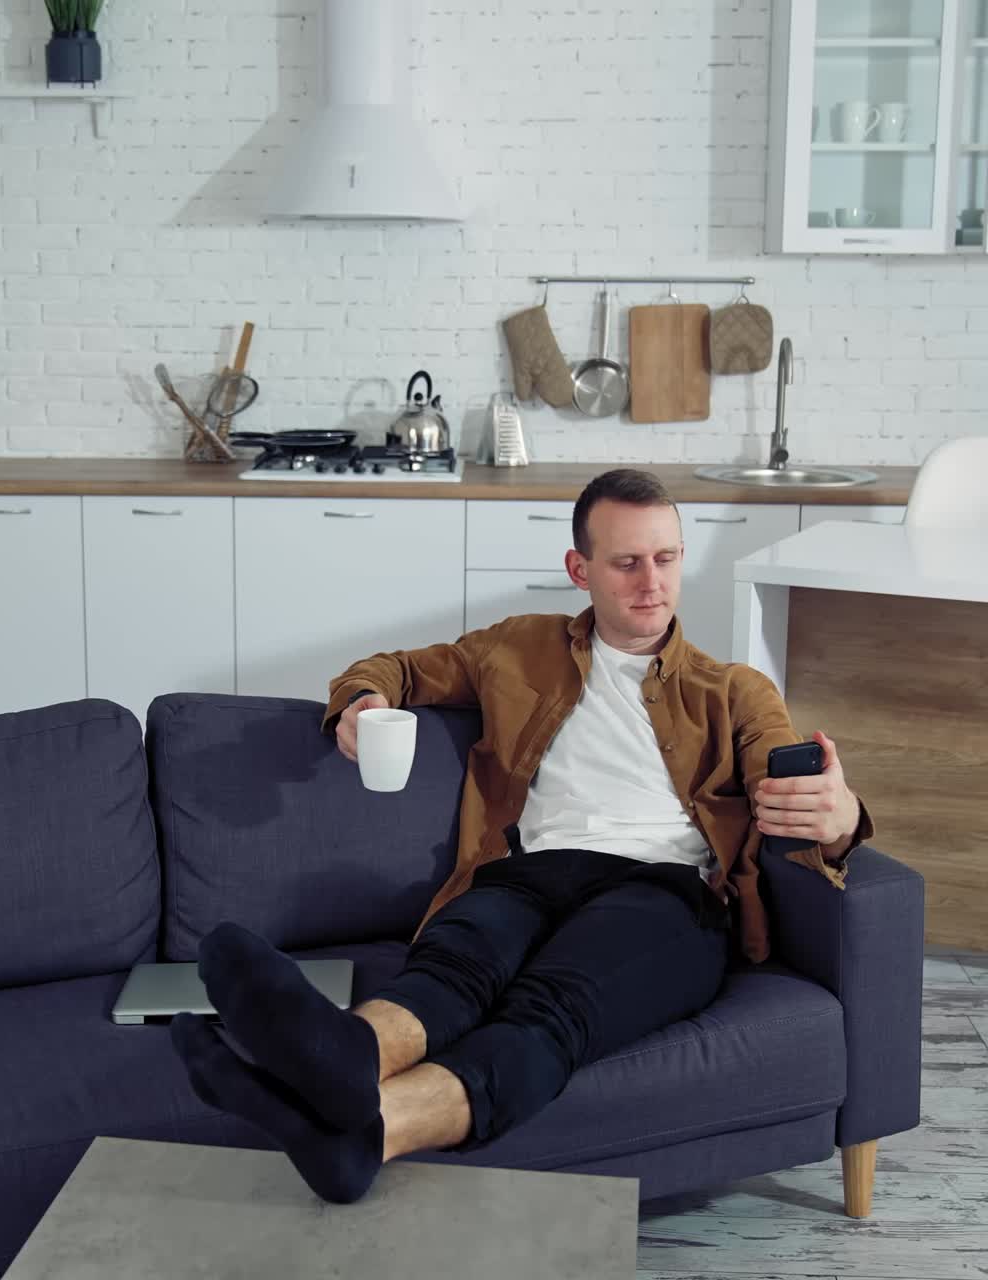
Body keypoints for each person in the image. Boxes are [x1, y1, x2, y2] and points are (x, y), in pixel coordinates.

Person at [169, 467, 872, 1204]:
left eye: (666, 559)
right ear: (581, 569)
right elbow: (399, 668)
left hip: (662, 892)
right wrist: (361, 700)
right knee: (451, 971)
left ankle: (363, 1123)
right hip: (526, 874)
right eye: (626, 562)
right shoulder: (517, 648)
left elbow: (789, 781)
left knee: (551, 1010)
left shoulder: (732, 689)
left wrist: (839, 813)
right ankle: (346, 1061)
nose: (651, 582)